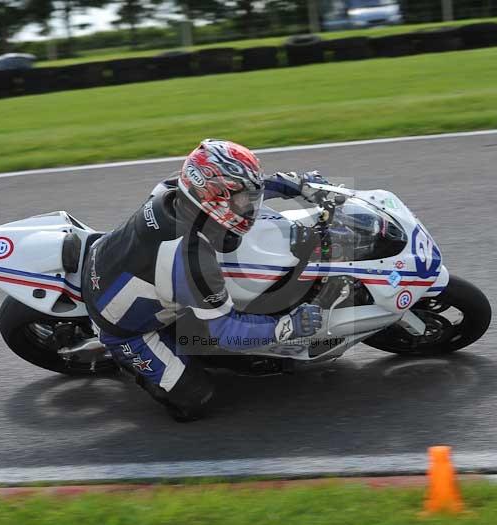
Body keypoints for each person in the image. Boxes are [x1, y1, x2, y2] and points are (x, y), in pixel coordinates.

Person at [82, 139, 327, 421]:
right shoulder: (191, 258)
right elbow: (227, 332)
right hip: (124, 327)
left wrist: (292, 185)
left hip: (110, 257)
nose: (248, 206)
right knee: (195, 399)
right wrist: (288, 326)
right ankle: (133, 364)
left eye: (249, 198)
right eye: (240, 201)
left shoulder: (175, 188)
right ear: (211, 198)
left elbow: (242, 189)